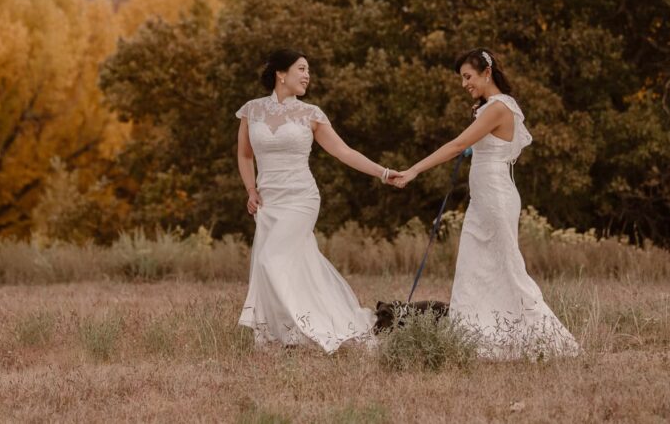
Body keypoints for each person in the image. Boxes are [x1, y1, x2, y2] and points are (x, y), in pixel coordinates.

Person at [391, 49, 580, 359]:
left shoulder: (499, 107)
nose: (464, 83)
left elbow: (458, 144)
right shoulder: (490, 108)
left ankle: (549, 341)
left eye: (468, 76)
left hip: (495, 195)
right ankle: (479, 338)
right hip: (483, 197)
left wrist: (414, 170)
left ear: (486, 72)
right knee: (476, 267)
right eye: (462, 78)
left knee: (507, 267)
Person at [236, 48, 399, 352]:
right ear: (280, 74)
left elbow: (344, 152)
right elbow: (245, 155)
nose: (307, 75)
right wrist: (250, 190)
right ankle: (288, 334)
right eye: (302, 69)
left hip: (301, 199)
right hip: (269, 202)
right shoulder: (251, 111)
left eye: (308, 70)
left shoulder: (310, 114)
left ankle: (316, 327)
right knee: (289, 264)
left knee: (271, 259)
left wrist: (383, 173)